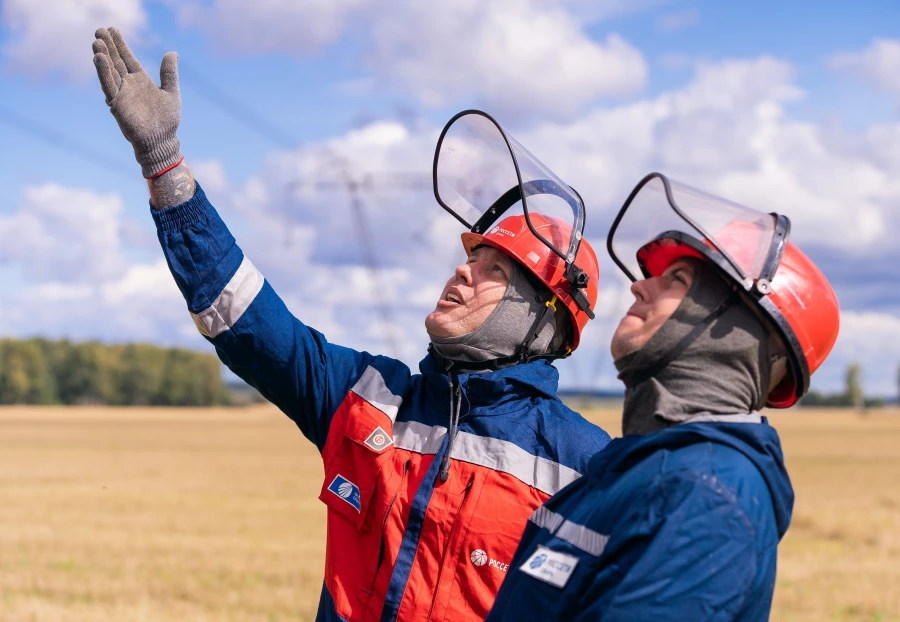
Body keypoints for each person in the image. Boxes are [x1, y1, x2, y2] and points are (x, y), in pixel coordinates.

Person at [90, 28, 612, 621]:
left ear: (539, 322)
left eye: (493, 270)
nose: (461, 274)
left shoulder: (589, 468)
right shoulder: (368, 398)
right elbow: (245, 318)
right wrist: (166, 169)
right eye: (469, 257)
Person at [486, 173, 840, 621]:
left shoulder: (706, 495)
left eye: (676, 280)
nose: (639, 285)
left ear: (741, 331)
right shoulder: (630, 470)